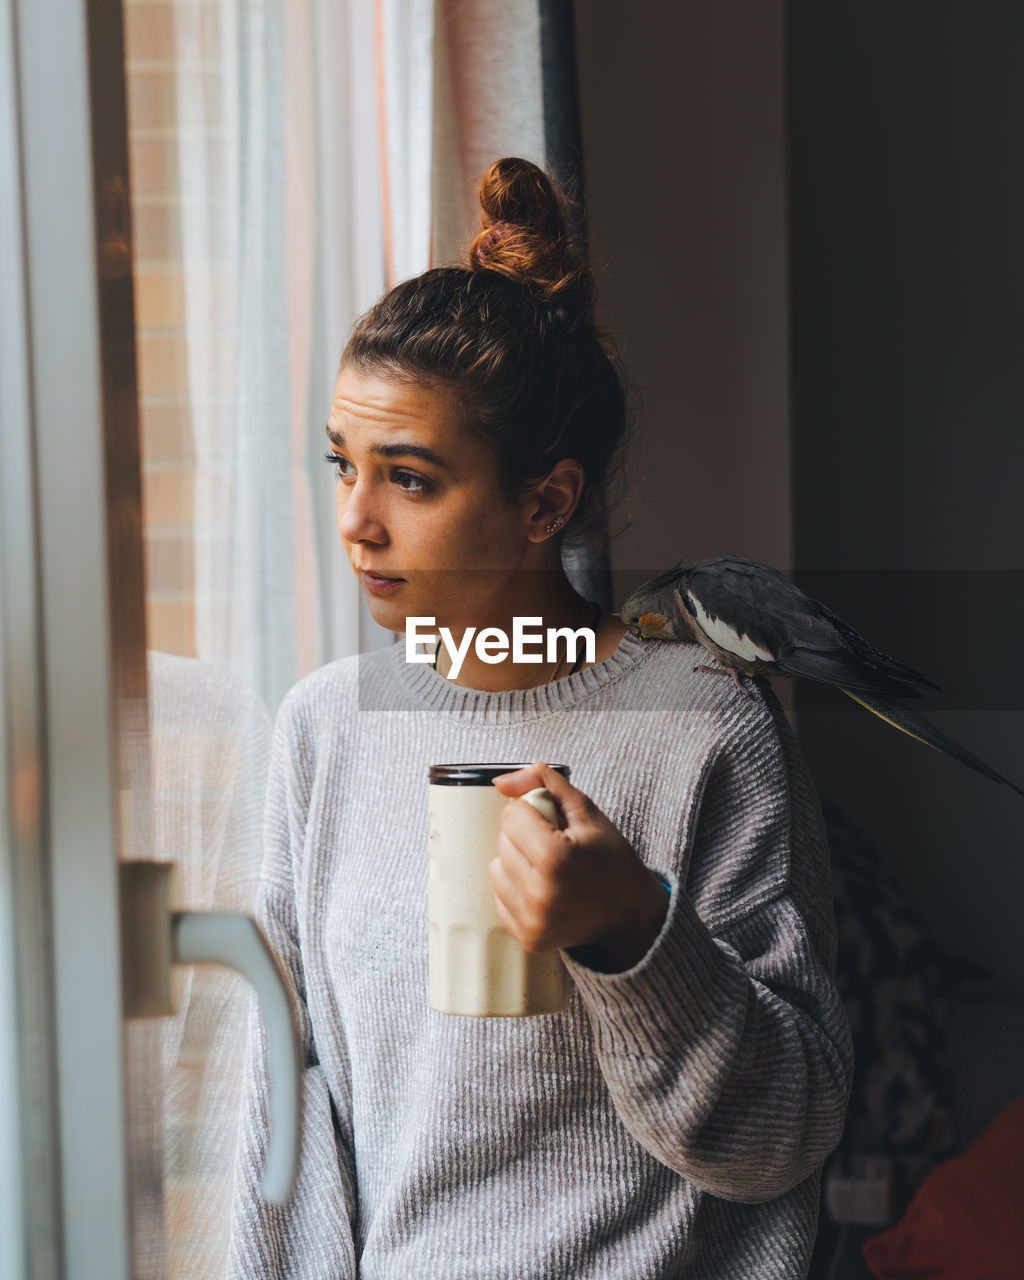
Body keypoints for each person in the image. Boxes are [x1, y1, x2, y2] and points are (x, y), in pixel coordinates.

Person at [227, 157, 853, 1279]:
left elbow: (784, 1138)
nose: (355, 523)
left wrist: (635, 934)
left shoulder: (706, 728)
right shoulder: (324, 728)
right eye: (341, 466)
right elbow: (285, 1098)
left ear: (546, 501)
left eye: (410, 479)